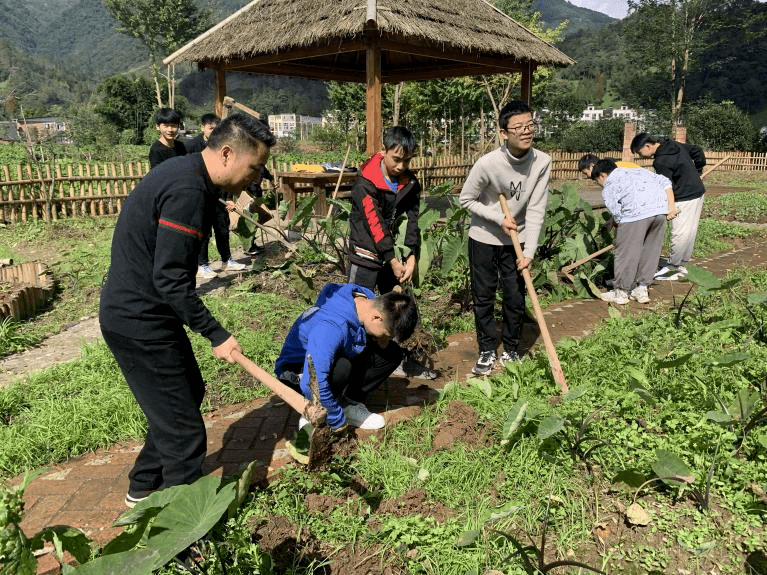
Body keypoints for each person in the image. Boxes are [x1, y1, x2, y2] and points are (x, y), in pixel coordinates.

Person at [100, 113, 276, 508]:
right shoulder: (187, 189)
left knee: (187, 394)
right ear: (228, 153)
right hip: (138, 317)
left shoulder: (189, 173)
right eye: (255, 167)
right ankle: (179, 539)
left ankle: (144, 485)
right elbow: (171, 281)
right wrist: (216, 333)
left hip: (146, 310)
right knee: (185, 434)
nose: (256, 176)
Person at [459, 100, 550, 376]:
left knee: (514, 296)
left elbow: (535, 210)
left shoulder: (542, 162)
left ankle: (511, 349)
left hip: (517, 241)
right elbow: (466, 199)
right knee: (484, 296)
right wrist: (499, 218)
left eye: (530, 125)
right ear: (503, 133)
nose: (526, 131)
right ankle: (487, 350)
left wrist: (530, 251)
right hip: (484, 237)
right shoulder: (488, 164)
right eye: (519, 127)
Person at [347, 126, 436, 380]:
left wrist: (411, 256)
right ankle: (352, 365)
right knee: (358, 311)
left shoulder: (409, 183)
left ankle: (393, 361)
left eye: (407, 160)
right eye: (396, 159)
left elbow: (412, 221)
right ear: (383, 151)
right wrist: (393, 260)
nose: (400, 166)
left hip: (392, 258)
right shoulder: (366, 182)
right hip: (365, 254)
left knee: (394, 311)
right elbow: (375, 224)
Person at [275, 283, 419, 430]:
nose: (385, 339)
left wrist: (381, 340)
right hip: (296, 372)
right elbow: (312, 382)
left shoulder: (365, 298)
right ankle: (313, 412)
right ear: (377, 317)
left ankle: (347, 403)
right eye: (387, 335)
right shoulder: (332, 327)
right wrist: (337, 420)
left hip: (325, 352)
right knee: (342, 368)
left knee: (392, 353)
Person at [589, 158, 677, 304]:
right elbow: (665, 181)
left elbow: (617, 214)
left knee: (626, 253)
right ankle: (641, 289)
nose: (599, 184)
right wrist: (671, 206)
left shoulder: (610, 183)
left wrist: (616, 227)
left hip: (636, 215)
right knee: (651, 251)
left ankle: (621, 292)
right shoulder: (639, 171)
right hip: (659, 213)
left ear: (602, 175)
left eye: (597, 181)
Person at [630, 133, 706, 281]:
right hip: (698, 191)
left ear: (648, 146)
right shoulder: (674, 145)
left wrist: (669, 207)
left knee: (679, 233)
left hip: (684, 197)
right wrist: (698, 171)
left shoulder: (661, 161)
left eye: (640, 153)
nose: (640, 156)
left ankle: (673, 268)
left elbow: (665, 187)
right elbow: (697, 150)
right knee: (689, 230)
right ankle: (682, 264)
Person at [191, 113, 248, 278]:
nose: (214, 132)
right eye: (210, 128)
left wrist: (229, 197)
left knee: (222, 229)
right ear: (203, 127)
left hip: (220, 196)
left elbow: (228, 172)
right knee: (204, 232)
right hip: (202, 196)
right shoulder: (193, 145)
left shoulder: (224, 146)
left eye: (217, 129)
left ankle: (226, 261)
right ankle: (202, 265)